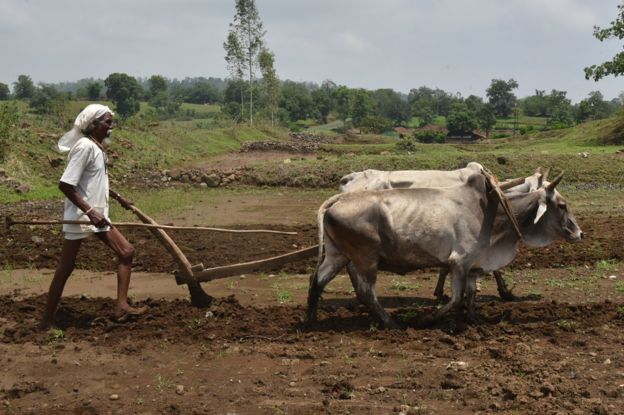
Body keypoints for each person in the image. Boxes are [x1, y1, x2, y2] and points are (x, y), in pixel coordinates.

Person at [40, 104, 146, 330]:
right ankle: (47, 320)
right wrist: (90, 211)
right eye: (107, 122)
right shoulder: (84, 147)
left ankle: (121, 306)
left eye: (111, 122)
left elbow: (92, 182)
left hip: (96, 216)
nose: (111, 126)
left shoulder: (97, 148)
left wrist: (118, 197)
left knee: (126, 252)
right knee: (66, 267)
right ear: (94, 125)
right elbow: (66, 184)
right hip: (83, 216)